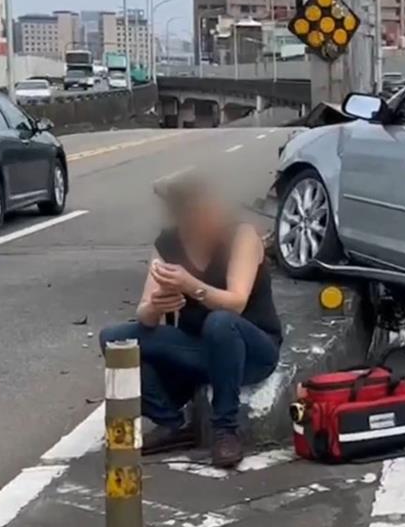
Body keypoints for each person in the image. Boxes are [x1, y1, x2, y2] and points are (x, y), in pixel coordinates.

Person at [99, 175, 282, 468]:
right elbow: (144, 314)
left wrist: (191, 284)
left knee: (220, 322)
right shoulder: (168, 243)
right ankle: (173, 422)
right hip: (198, 347)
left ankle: (225, 431)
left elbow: (237, 302)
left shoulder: (241, 235)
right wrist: (156, 306)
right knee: (115, 339)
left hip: (250, 349)